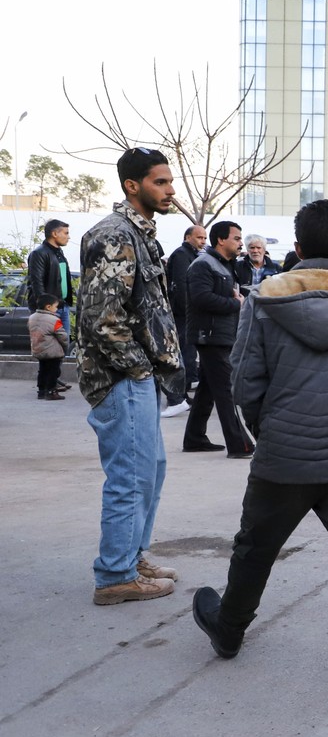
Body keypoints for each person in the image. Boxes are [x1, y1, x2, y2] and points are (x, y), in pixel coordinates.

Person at [193, 199, 328, 701]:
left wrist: (269, 430)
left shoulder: (264, 301)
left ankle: (228, 632)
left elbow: (245, 381)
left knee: (255, 550)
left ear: (296, 249)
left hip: (281, 459)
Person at [76, 146, 185, 605]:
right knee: (130, 475)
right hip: (121, 378)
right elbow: (102, 317)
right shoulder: (115, 235)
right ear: (132, 186)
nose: (170, 190)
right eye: (161, 182)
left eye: (169, 181)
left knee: (150, 471)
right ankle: (115, 575)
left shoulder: (140, 235)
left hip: (140, 377)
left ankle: (132, 555)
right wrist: (140, 369)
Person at [182, 221, 256, 458]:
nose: (240, 243)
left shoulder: (226, 265)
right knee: (226, 390)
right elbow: (201, 298)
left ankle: (194, 438)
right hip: (210, 336)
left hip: (221, 335)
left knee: (207, 388)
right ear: (221, 239)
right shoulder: (203, 265)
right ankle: (239, 445)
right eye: (236, 238)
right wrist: (236, 303)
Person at [162, 223, 207, 416]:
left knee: (187, 354)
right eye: (199, 237)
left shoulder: (194, 255)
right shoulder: (181, 255)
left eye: (204, 238)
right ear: (188, 237)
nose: (203, 241)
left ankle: (182, 396)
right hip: (182, 314)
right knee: (181, 354)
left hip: (187, 313)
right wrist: (188, 311)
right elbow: (180, 286)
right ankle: (177, 396)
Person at [26, 218, 75, 342]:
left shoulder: (58, 253)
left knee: (63, 344)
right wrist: (45, 307)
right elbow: (37, 282)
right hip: (48, 309)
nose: (68, 237)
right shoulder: (39, 253)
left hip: (62, 306)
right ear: (54, 234)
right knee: (47, 347)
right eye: (66, 233)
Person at [29, 293, 70, 400]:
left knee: (42, 370)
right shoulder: (54, 320)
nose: (56, 309)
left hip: (39, 349)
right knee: (53, 371)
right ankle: (51, 391)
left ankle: (41, 391)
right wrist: (65, 347)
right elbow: (63, 336)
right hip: (53, 352)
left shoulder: (32, 318)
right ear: (48, 307)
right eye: (55, 307)